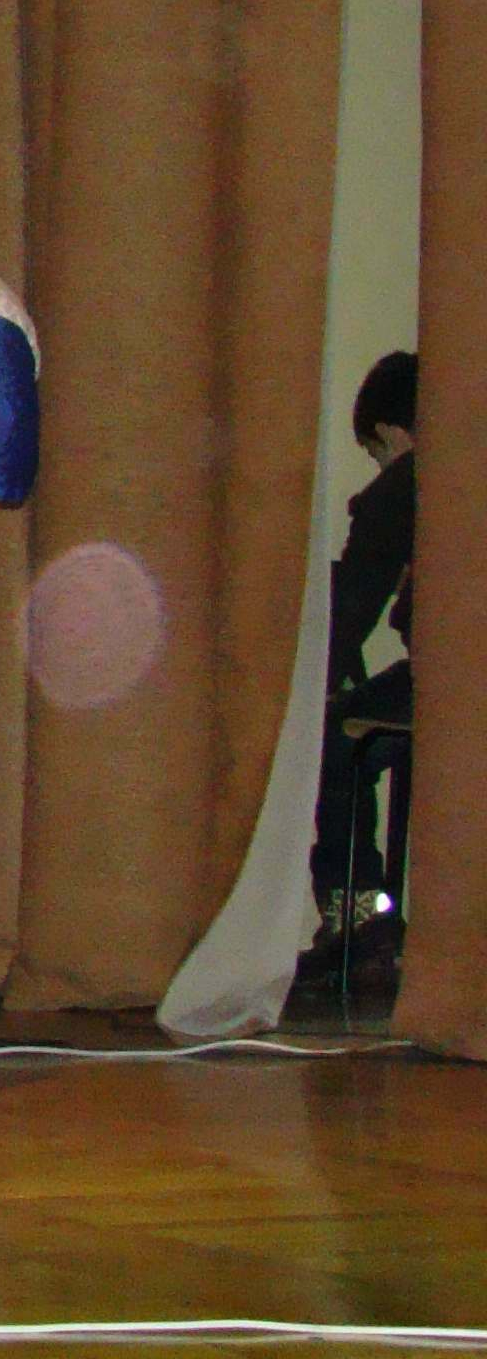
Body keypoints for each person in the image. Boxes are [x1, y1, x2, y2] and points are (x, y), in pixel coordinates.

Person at [309, 350, 417, 950]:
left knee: (337, 743)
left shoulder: (402, 488)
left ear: (390, 433)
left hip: (447, 685)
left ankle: (357, 920)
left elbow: (348, 613)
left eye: (375, 454)